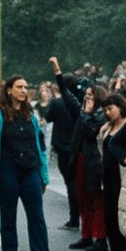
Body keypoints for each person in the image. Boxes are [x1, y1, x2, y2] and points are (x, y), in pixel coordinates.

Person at [0, 74, 52, 251]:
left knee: (37, 216)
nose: (23, 90)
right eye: (19, 86)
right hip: (7, 170)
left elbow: (41, 146)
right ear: (9, 90)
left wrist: (43, 175)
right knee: (8, 217)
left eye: (25, 87)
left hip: (31, 170)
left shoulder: (32, 114)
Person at [96, 93, 126, 251]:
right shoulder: (107, 127)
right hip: (107, 174)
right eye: (105, 110)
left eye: (110, 109)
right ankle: (115, 248)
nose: (108, 112)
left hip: (123, 173)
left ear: (120, 107)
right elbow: (101, 149)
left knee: (125, 211)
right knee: (110, 211)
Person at [46, 57, 84, 235]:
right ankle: (78, 217)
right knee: (77, 182)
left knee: (70, 183)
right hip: (77, 147)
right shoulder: (83, 103)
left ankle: (74, 218)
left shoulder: (58, 103)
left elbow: (48, 118)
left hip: (63, 146)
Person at [72, 86, 107, 251]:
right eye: (86, 96)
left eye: (91, 95)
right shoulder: (84, 112)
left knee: (97, 199)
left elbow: (91, 133)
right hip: (83, 158)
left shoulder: (102, 114)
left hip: (95, 161)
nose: (87, 99)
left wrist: (87, 113)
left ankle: (100, 237)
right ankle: (86, 234)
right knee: (83, 198)